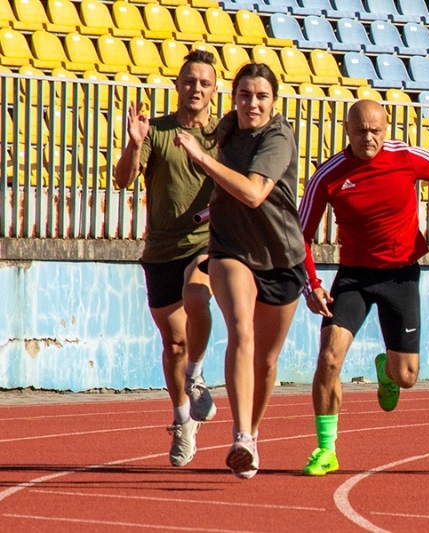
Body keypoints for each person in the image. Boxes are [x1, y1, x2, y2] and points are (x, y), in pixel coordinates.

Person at [297, 100, 429, 476]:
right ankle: (326, 449)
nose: (369, 138)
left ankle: (387, 371)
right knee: (329, 358)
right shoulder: (328, 175)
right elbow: (300, 237)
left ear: (386, 128)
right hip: (355, 277)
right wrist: (310, 284)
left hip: (401, 275)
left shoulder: (404, 156)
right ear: (347, 130)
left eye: (376, 130)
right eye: (361, 131)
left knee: (407, 377)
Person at [173, 63, 306, 479]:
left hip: (281, 256)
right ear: (234, 98)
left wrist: (200, 158)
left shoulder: (278, 137)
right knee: (241, 330)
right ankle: (242, 437)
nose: (252, 103)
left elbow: (252, 192)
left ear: (274, 101)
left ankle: (254, 430)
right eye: (245, 95)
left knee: (266, 360)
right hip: (230, 248)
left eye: (261, 96)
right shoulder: (226, 127)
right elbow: (195, 119)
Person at [114, 50, 219, 467]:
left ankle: (195, 375)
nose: (196, 88)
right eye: (189, 81)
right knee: (173, 342)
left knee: (197, 296)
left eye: (204, 83)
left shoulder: (220, 136)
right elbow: (123, 180)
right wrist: (133, 145)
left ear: (214, 91)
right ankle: (182, 421)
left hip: (205, 243)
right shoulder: (155, 131)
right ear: (177, 86)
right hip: (160, 250)